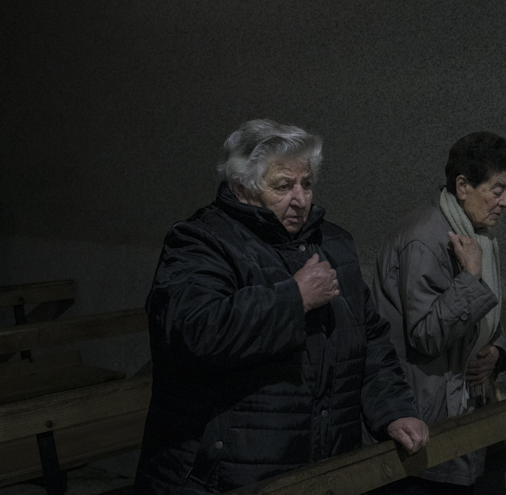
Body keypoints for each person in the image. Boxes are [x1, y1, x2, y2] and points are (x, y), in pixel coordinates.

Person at [134, 120, 428, 494]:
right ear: (242, 186)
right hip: (223, 476)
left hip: (319, 466)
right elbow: (193, 332)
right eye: (283, 186)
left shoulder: (334, 244)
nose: (301, 198)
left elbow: (369, 340)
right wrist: (294, 298)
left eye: (306, 184)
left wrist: (393, 409)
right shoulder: (200, 241)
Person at [372, 132, 506, 494]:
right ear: (463, 185)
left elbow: (484, 319)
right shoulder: (427, 237)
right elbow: (426, 335)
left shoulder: (472, 234)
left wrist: (495, 354)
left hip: (455, 407)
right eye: (498, 189)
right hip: (423, 418)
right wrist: (470, 276)